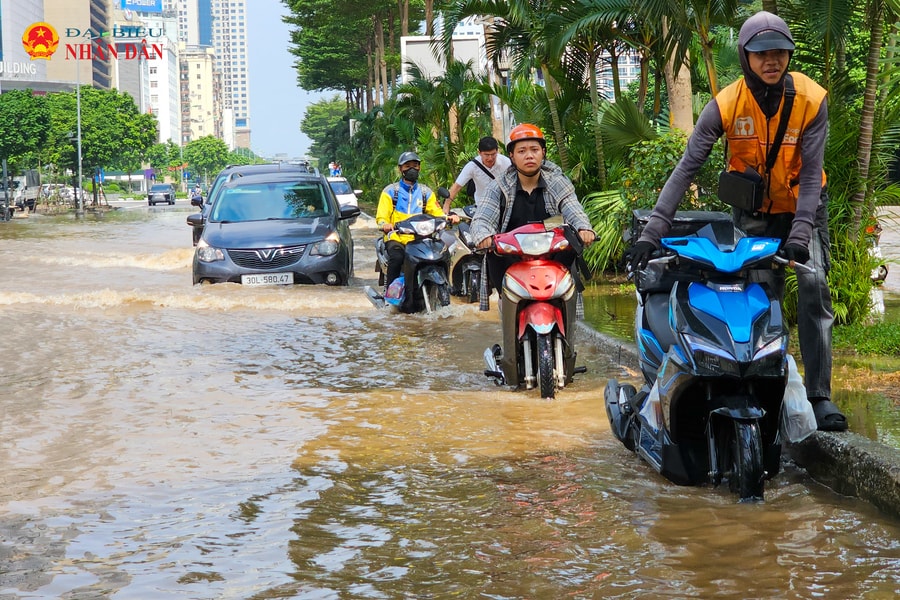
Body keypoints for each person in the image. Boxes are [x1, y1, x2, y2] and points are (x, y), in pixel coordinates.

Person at [624, 11, 846, 431]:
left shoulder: (812, 99)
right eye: (761, 54)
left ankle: (818, 396)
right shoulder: (725, 104)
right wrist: (652, 233)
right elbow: (687, 168)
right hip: (755, 213)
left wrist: (801, 233)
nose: (771, 61)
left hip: (805, 208)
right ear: (746, 57)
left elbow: (813, 173)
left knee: (814, 290)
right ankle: (761, 394)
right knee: (758, 297)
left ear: (788, 55)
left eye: (779, 52)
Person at [470, 123, 596, 293]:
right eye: (522, 151)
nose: (529, 156)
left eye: (534, 150)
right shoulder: (498, 186)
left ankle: (567, 312)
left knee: (572, 248)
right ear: (512, 156)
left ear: (543, 153)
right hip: (511, 257)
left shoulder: (557, 181)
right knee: (494, 255)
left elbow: (573, 208)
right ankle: (507, 307)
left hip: (554, 256)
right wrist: (483, 234)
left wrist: (583, 228)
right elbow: (482, 217)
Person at [375, 151, 459, 290]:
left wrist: (448, 217)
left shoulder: (426, 192)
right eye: (407, 166)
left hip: (421, 238)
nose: (412, 169)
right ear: (400, 169)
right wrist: (385, 225)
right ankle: (390, 296)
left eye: (415, 165)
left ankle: (447, 287)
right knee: (396, 258)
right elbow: (381, 216)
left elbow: (437, 212)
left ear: (420, 168)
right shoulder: (390, 192)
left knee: (442, 253)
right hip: (397, 237)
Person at [442, 136, 512, 213]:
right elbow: (457, 186)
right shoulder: (472, 166)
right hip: (482, 206)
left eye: (493, 154)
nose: (490, 158)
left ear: (497, 151)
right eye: (486, 155)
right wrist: (446, 206)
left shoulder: (506, 163)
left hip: (504, 205)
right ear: (479, 153)